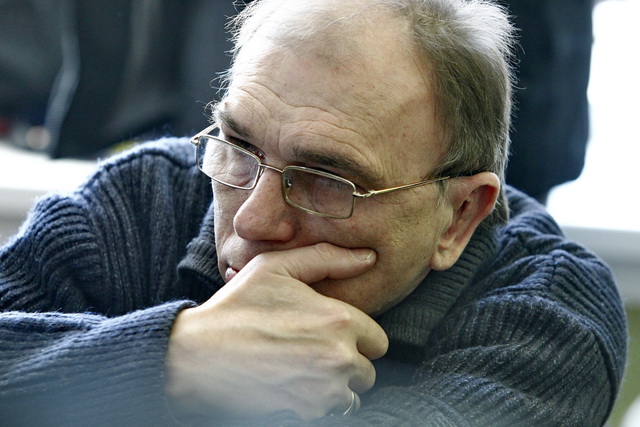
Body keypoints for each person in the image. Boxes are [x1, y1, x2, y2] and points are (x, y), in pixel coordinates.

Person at [0, 0, 627, 425]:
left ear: (460, 215)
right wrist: (171, 359)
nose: (251, 222)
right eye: (239, 145)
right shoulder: (148, 198)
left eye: (326, 180)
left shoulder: (549, 315)